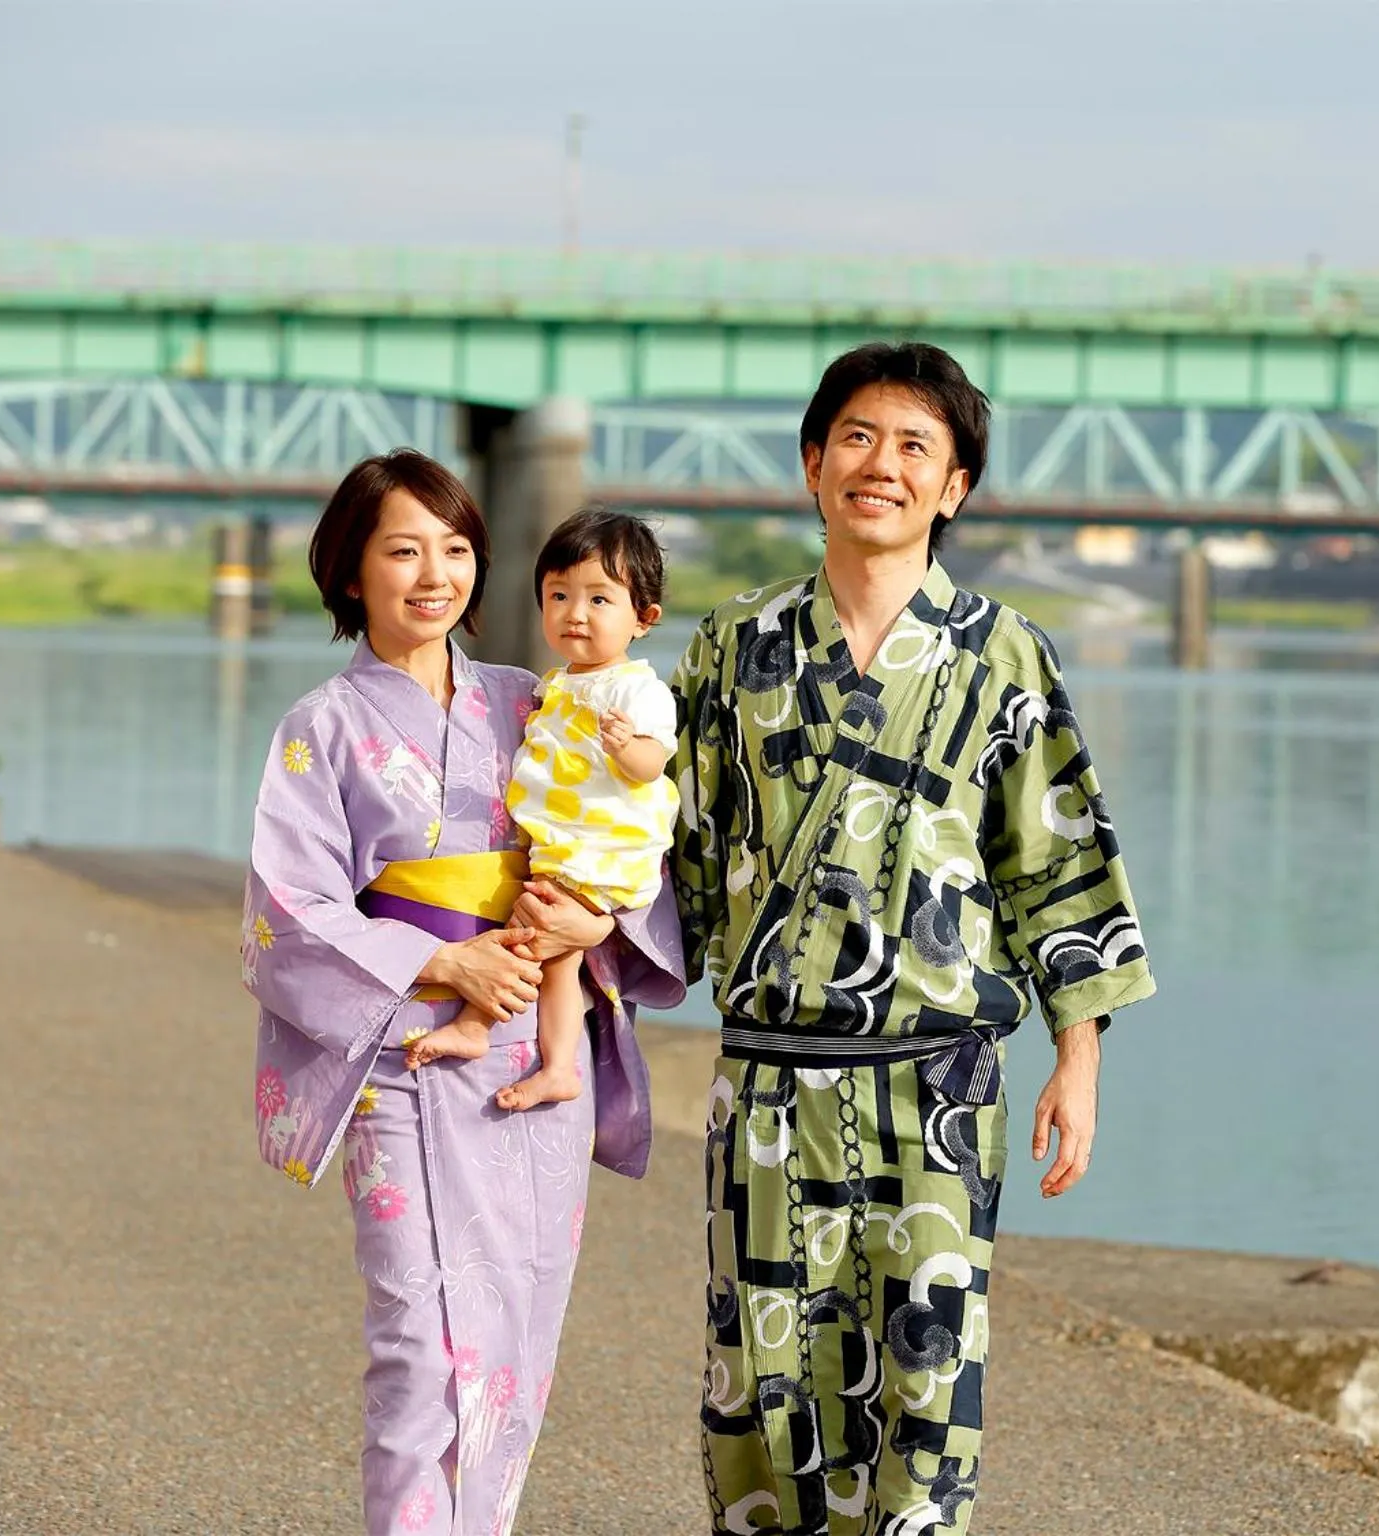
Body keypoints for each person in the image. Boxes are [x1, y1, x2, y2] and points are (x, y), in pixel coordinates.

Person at [669, 342, 1156, 1533]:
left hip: (935, 1081)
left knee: (925, 1390)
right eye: (854, 437)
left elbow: (1056, 866)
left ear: (953, 489)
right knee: (757, 1388)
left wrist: (1076, 1061)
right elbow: (661, 857)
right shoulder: (733, 650)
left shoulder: (1006, 656)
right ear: (809, 463)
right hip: (770, 1081)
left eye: (913, 446)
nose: (878, 465)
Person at [241, 450, 685, 1536]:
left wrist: (596, 921)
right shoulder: (323, 727)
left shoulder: (534, 702)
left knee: (516, 1332)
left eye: (454, 550)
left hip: (533, 1048)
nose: (433, 575)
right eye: (402, 550)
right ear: (351, 573)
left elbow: (628, 836)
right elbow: (287, 910)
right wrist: (443, 962)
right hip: (402, 1051)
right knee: (417, 1335)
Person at [404, 507, 678, 1116]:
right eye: (558, 595)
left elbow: (653, 763)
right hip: (567, 848)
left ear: (644, 617)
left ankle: (483, 1026)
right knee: (554, 955)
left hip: (601, 852)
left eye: (599, 599)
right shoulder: (556, 683)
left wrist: (626, 747)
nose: (575, 613)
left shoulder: (636, 689)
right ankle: (556, 1065)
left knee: (533, 934)